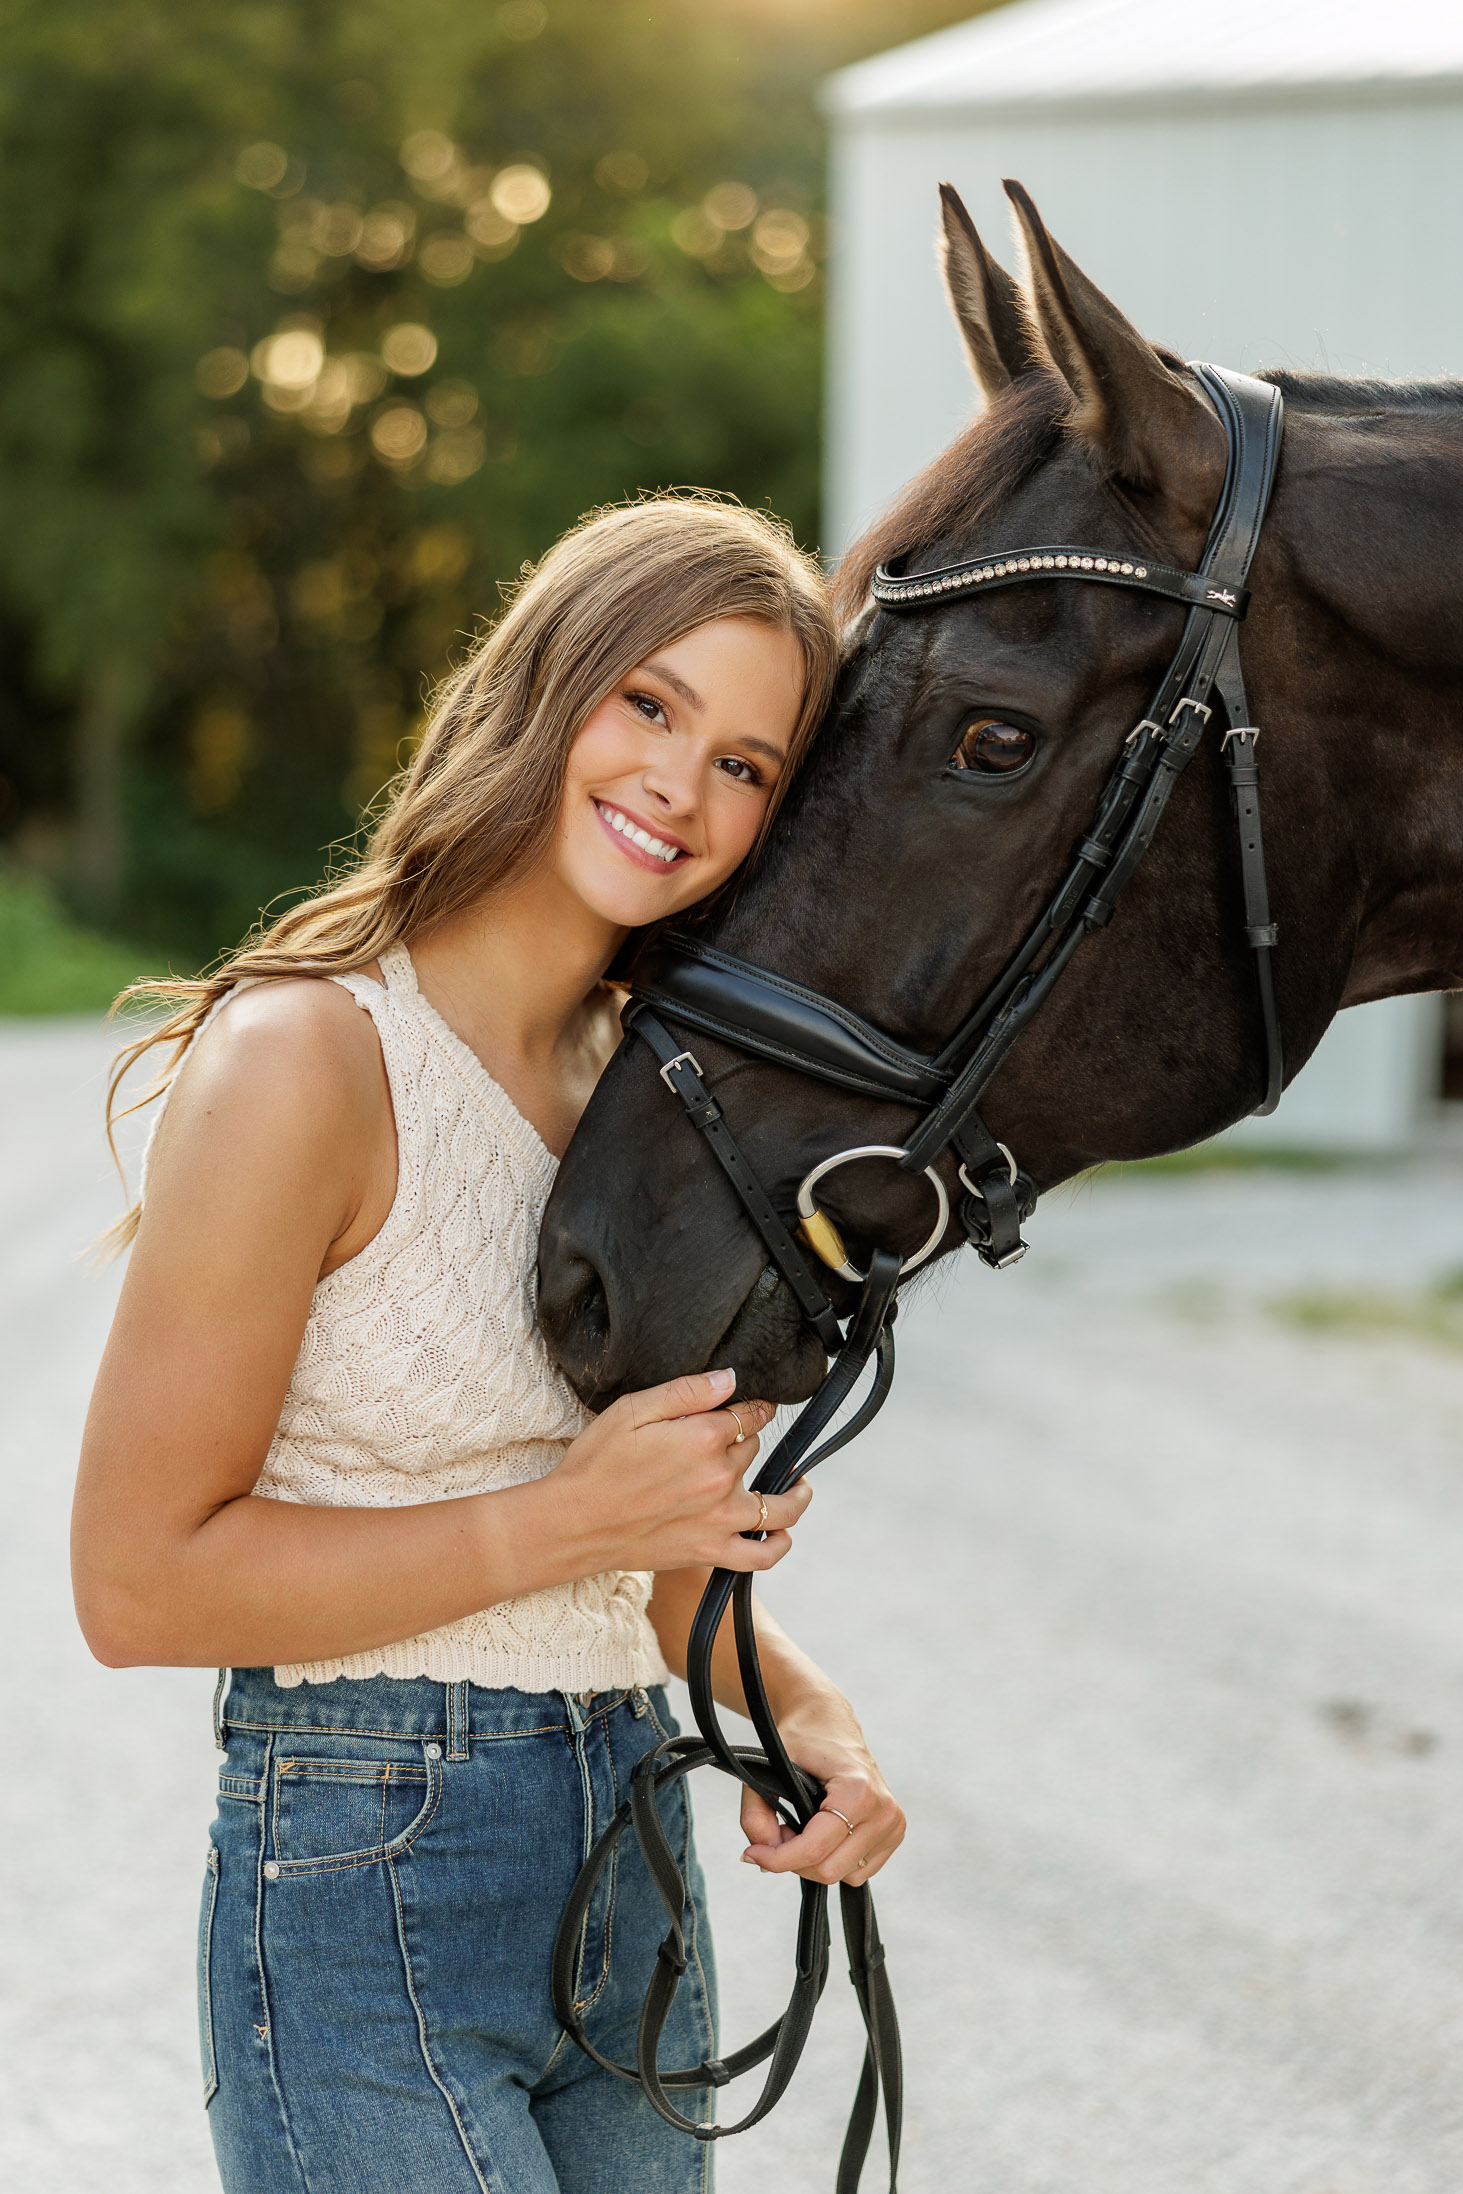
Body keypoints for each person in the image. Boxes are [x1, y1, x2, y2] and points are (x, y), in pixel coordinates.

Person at [71, 494, 906, 2194]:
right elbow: (138, 1582)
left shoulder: (662, 1102)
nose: (684, 783)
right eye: (651, 704)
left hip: (637, 1867)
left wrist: (808, 1712)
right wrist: (559, 1523)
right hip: (366, 1879)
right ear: (546, 685)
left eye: (748, 763)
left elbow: (647, 1558)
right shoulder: (309, 1060)